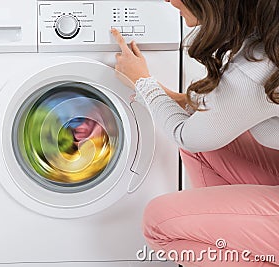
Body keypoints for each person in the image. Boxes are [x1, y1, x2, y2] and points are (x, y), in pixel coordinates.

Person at [111, 0, 279, 266]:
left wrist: (144, 83)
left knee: (159, 222)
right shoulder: (267, 38)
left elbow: (186, 134)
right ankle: (227, 234)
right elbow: (217, 114)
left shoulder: (255, 70)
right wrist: (153, 92)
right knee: (208, 145)